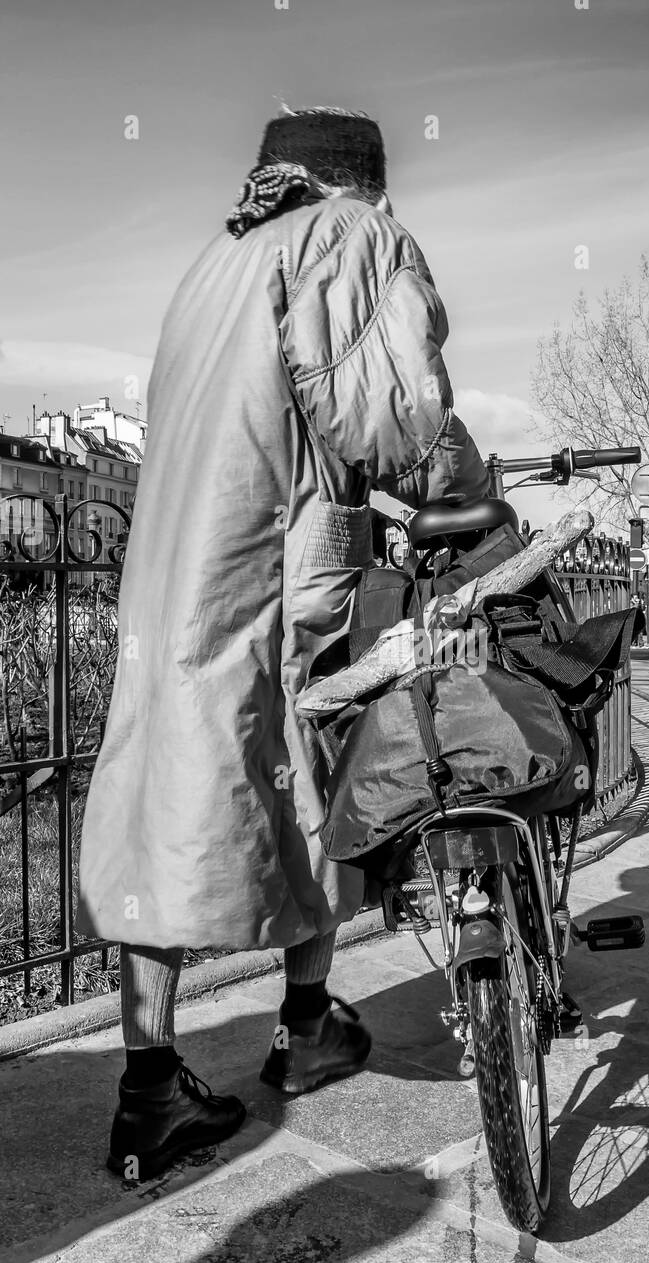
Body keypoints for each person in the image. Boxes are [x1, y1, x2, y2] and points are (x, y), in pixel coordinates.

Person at [76, 105, 490, 1179]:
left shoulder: (216, 260)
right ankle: (303, 1026)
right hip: (275, 569)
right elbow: (390, 425)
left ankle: (151, 1086)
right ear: (364, 182)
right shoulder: (354, 234)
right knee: (319, 768)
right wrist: (460, 482)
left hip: (179, 570)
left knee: (169, 794)